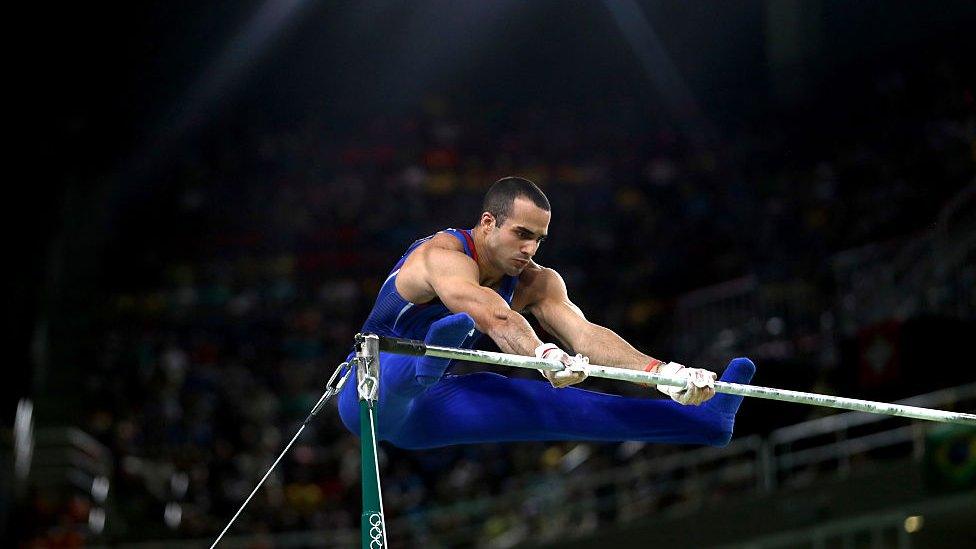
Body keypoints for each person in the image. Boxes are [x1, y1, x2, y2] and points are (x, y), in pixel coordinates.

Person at [338, 177, 755, 449]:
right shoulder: (441, 256)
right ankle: (428, 360)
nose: (530, 250)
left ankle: (704, 423)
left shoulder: (537, 281)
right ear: (487, 223)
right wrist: (543, 355)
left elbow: (586, 336)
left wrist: (664, 373)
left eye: (538, 239)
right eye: (521, 234)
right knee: (434, 340)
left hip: (431, 413)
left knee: (558, 408)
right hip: (367, 391)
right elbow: (491, 314)